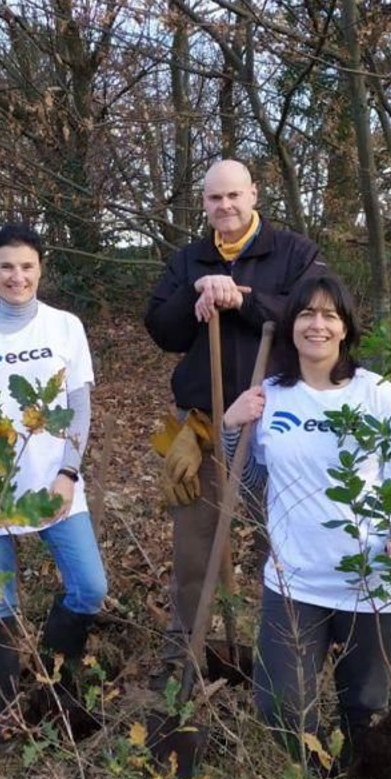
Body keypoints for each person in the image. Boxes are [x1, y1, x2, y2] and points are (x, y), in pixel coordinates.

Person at [220, 273, 391, 779]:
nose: (318, 325)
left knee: (365, 705)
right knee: (280, 704)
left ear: (346, 328)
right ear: (291, 326)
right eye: (307, 314)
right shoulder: (269, 397)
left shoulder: (379, 395)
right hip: (295, 577)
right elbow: (250, 484)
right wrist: (230, 428)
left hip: (369, 578)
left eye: (329, 315)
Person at [143, 159, 324, 679]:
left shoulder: (295, 253)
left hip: (279, 424)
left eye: (233, 196)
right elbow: (162, 330)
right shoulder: (189, 259)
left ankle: (286, 659)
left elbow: (316, 316)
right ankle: (184, 661)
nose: (224, 206)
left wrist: (240, 298)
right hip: (201, 427)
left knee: (281, 543)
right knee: (195, 548)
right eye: (214, 198)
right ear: (203, 202)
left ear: (254, 194)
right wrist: (197, 291)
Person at [0, 223, 108, 743]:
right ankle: (5, 708)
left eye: (26, 266)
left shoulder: (65, 326)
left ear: (41, 269)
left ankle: (53, 686)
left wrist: (68, 472)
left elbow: (79, 407)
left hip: (53, 484)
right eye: (6, 267)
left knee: (89, 586)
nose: (16, 277)